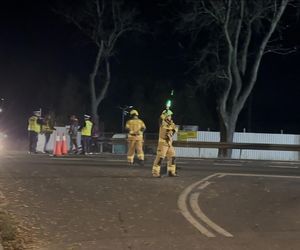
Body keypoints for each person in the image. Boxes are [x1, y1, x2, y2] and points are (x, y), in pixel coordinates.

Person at [152, 109, 178, 177]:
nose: (170, 117)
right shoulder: (162, 123)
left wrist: (172, 129)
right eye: (169, 116)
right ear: (166, 116)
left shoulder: (171, 123)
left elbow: (175, 129)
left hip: (169, 143)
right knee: (160, 158)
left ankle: (171, 172)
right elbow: (160, 120)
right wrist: (164, 114)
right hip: (162, 144)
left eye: (170, 116)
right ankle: (155, 173)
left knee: (172, 157)